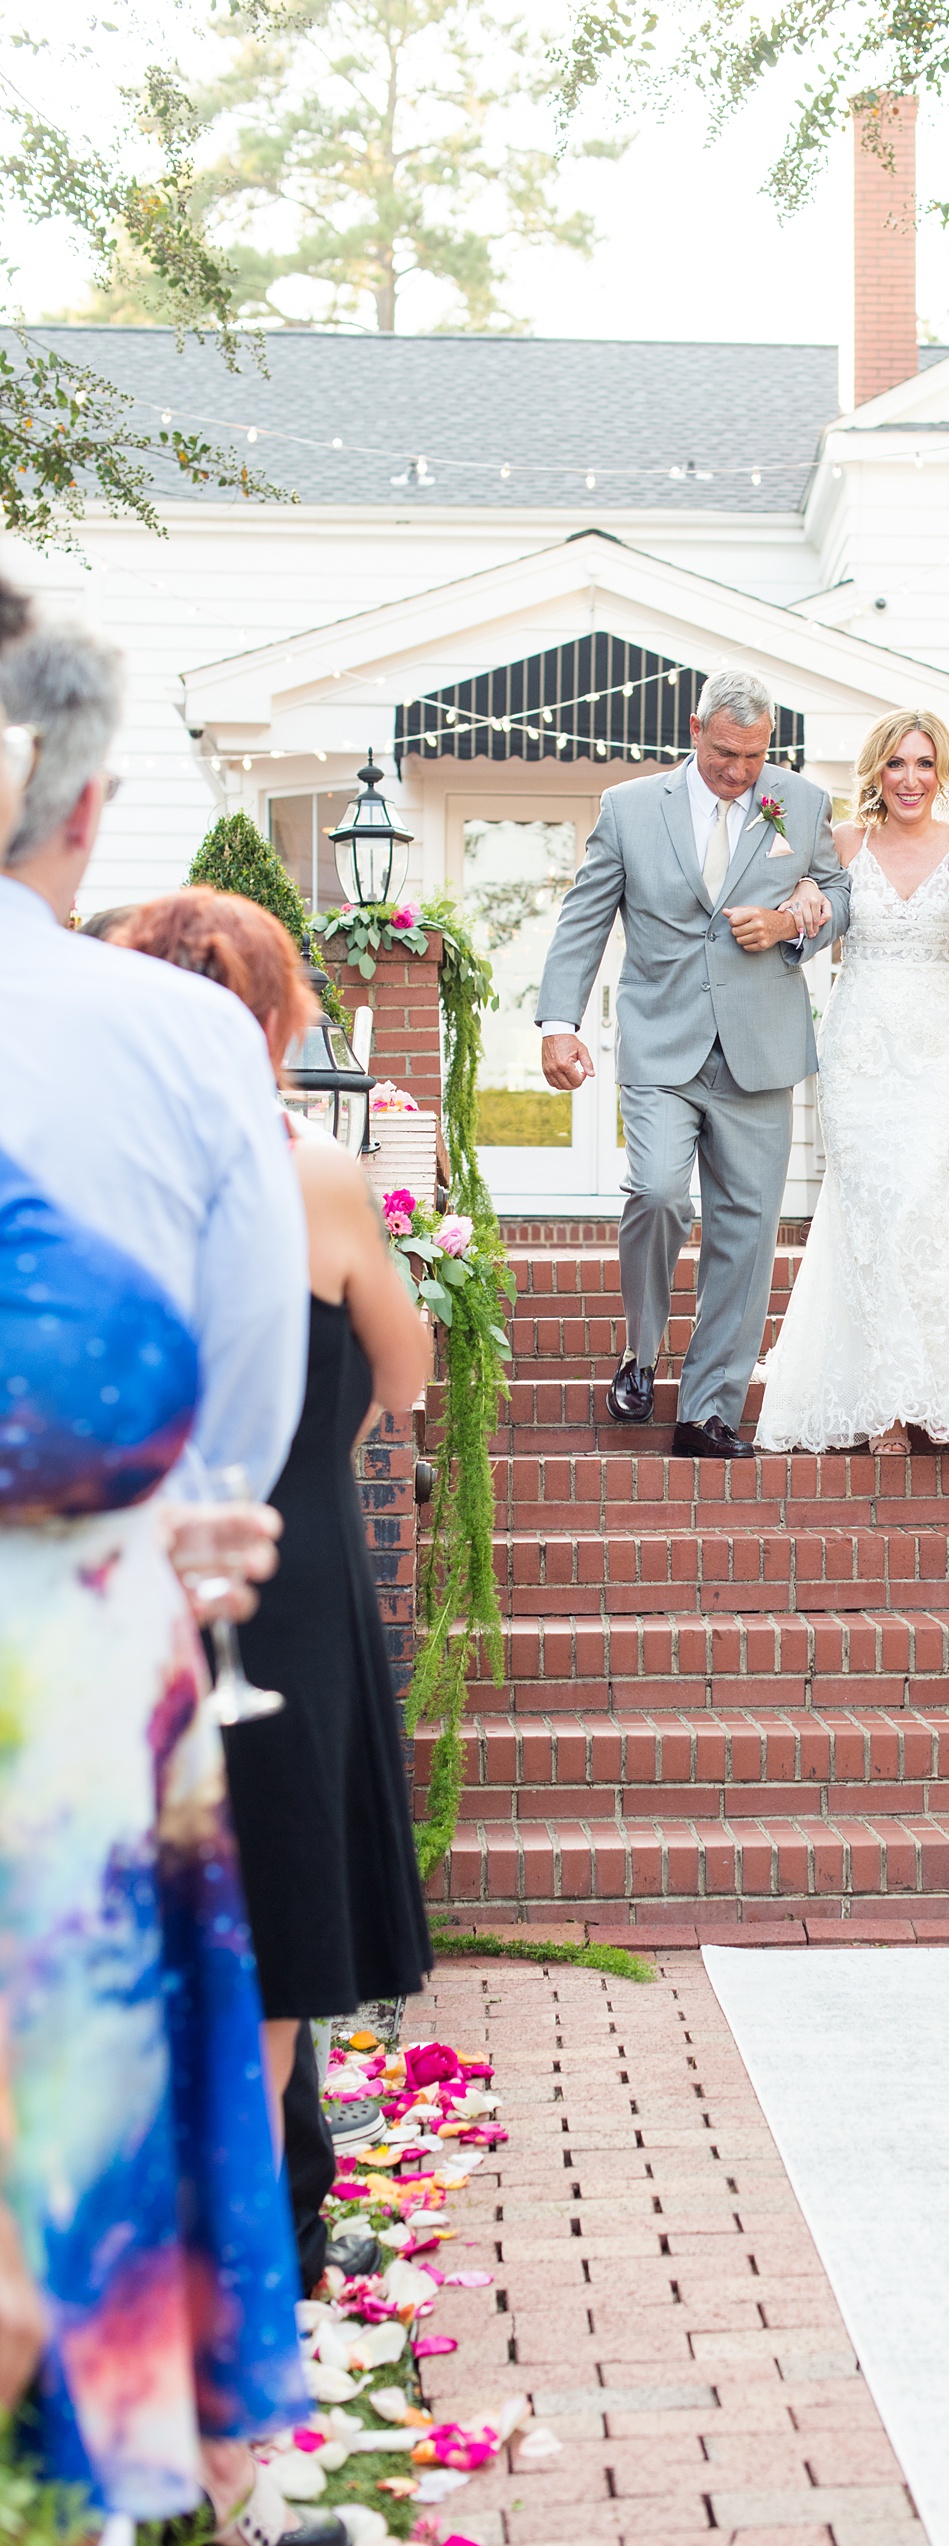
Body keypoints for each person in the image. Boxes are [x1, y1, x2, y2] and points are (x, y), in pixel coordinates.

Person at [0, 607, 324, 2541]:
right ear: (91, 807)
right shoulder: (185, 1038)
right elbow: (245, 1413)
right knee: (76, 2138)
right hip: (88, 1652)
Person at [117, 889, 435, 2137]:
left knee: (158, 1898)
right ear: (270, 1016)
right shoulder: (308, 1168)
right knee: (278, 1906)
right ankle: (255, 2232)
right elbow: (400, 1376)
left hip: (121, 1557)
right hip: (290, 1566)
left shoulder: (108, 1168)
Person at [0, 614, 308, 1492]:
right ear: (85, 808)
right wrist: (194, 1511)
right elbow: (253, 1340)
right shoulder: (195, 1033)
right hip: (95, 1566)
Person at [534, 668, 851, 1457]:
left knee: (745, 1233)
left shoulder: (802, 802)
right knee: (658, 1191)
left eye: (754, 756)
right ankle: (642, 1354)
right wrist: (556, 1020)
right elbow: (584, 918)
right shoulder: (630, 807)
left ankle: (707, 1411)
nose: (740, 772)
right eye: (724, 753)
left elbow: (839, 894)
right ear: (693, 728)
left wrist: (789, 923)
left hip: (760, 1049)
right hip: (662, 1044)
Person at [755, 712, 949, 1456]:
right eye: (897, 764)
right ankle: (882, 1405)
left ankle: (934, 1383)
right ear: (875, 770)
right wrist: (796, 909)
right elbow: (806, 929)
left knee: (918, 1198)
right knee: (869, 1206)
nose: (911, 779)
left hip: (939, 1048)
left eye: (925, 764)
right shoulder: (844, 845)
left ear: (941, 772)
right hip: (859, 1048)